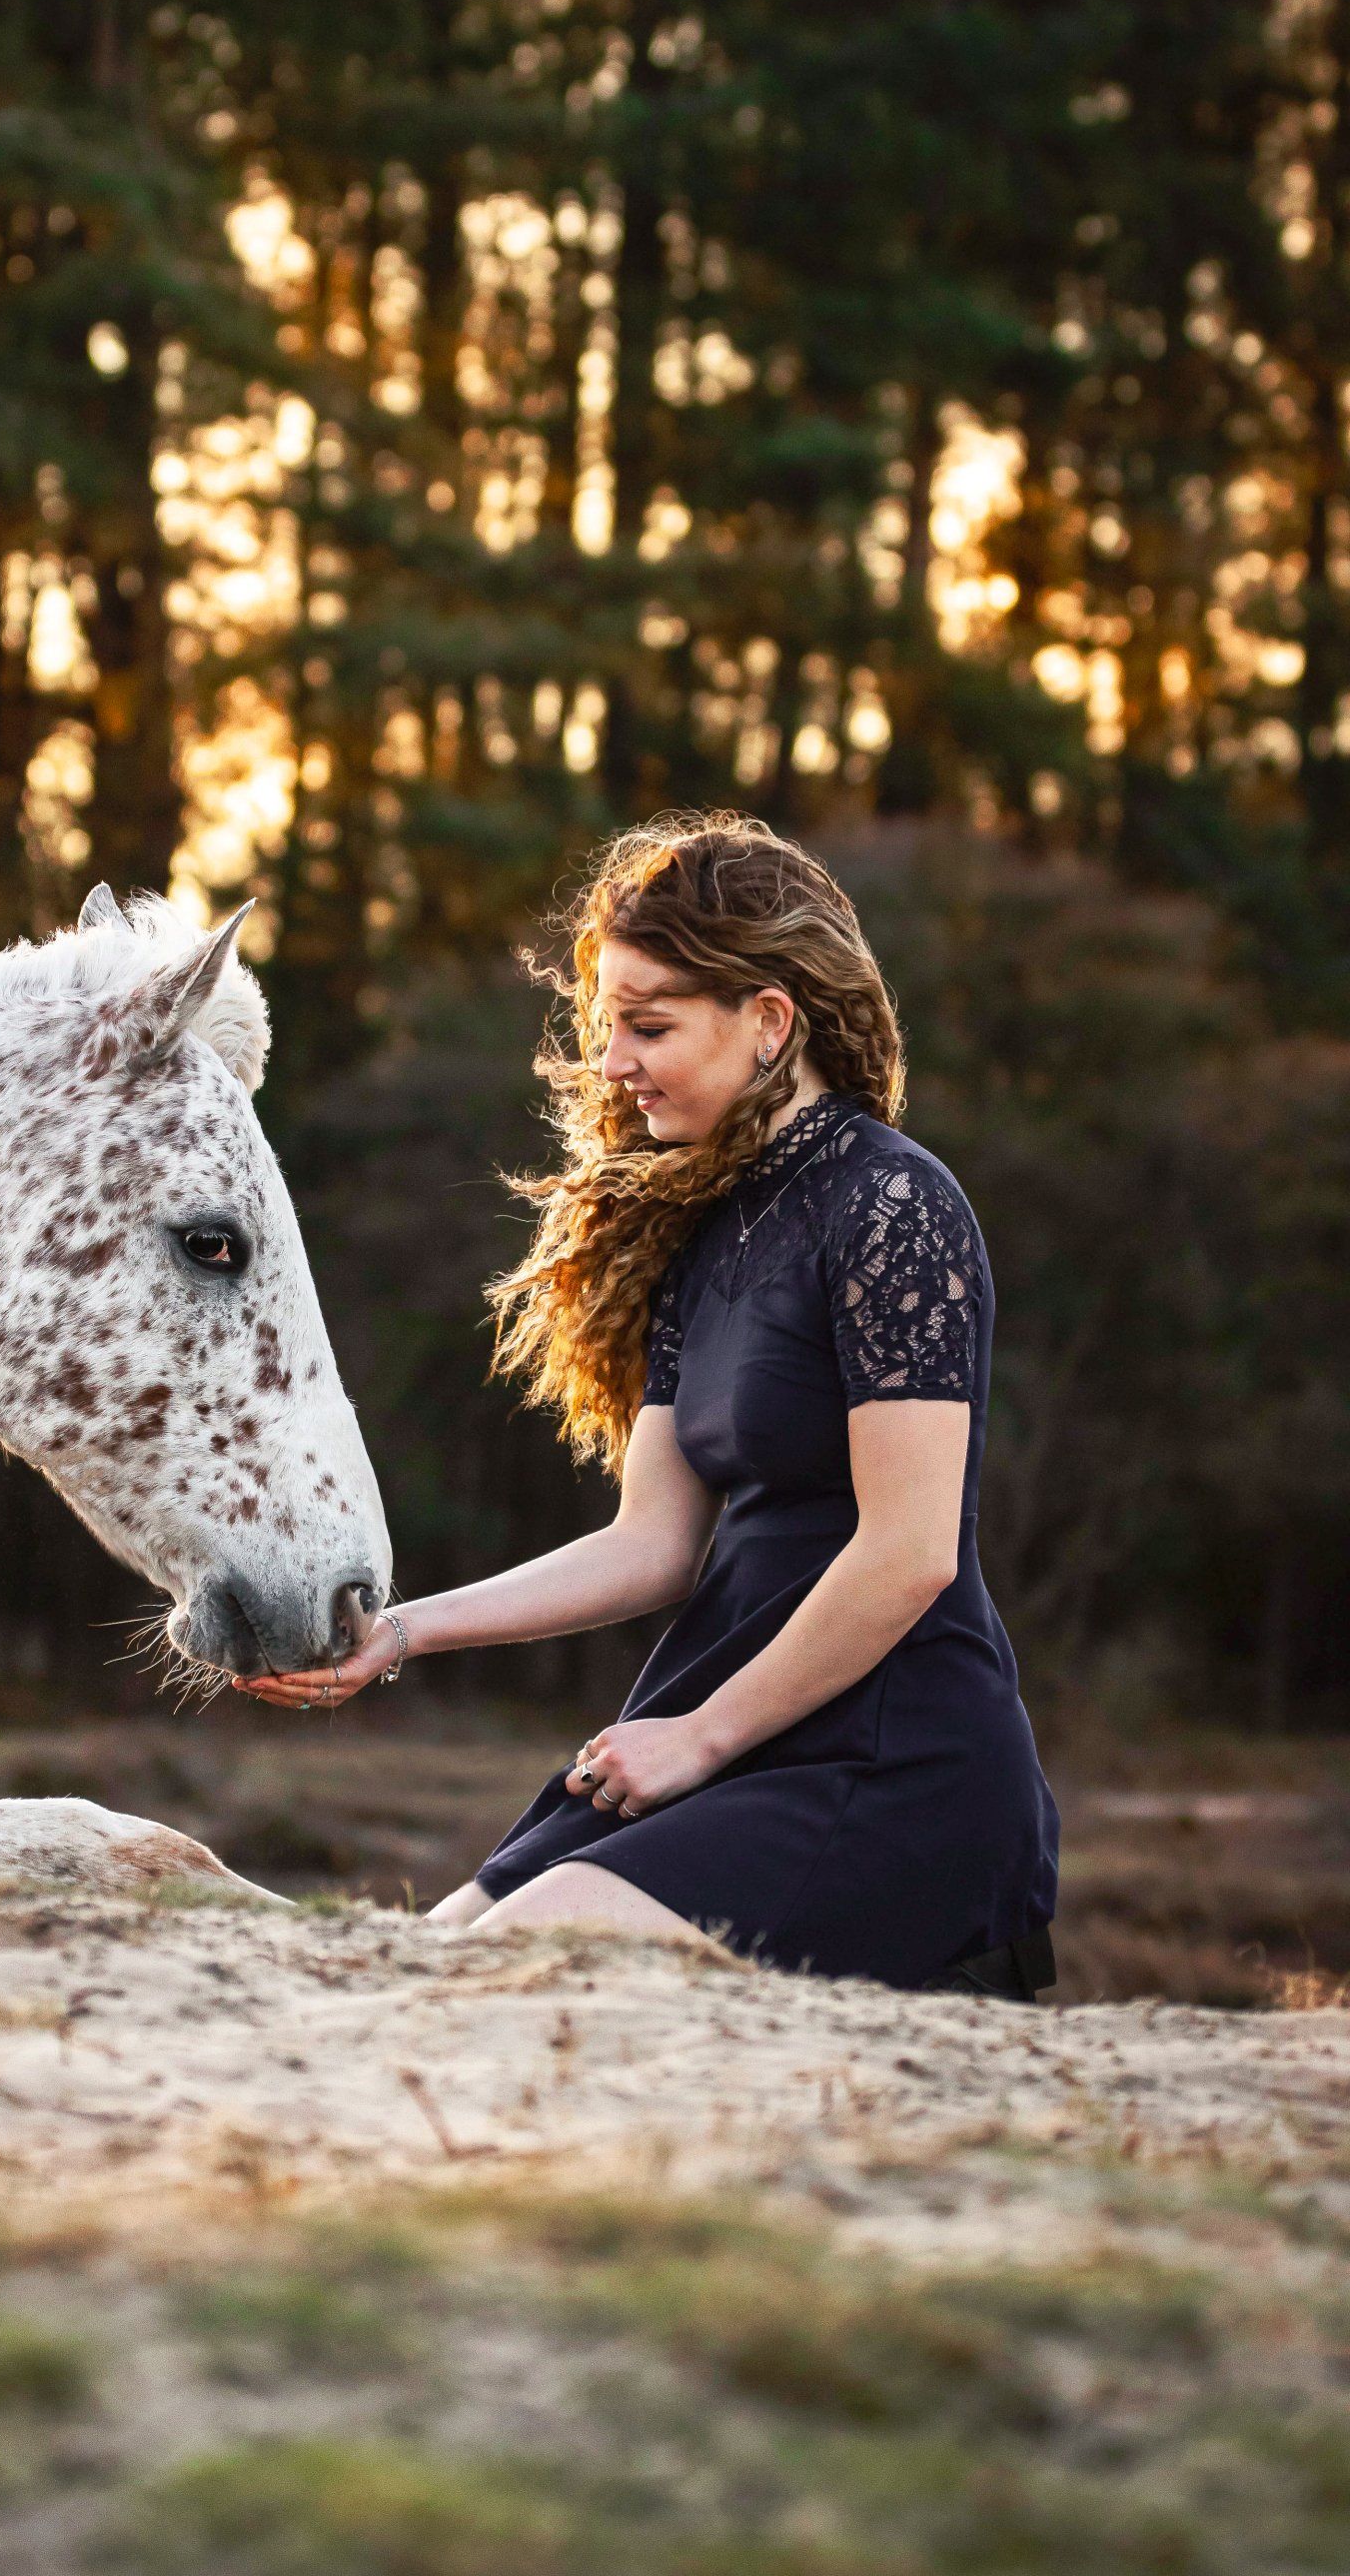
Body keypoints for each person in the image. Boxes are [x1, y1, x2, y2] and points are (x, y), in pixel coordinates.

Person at [236, 811, 1058, 1997]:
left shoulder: (895, 1207)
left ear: (769, 1022)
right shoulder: (704, 1234)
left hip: (892, 1763)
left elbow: (911, 1553)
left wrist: (703, 1737)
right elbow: (654, 1547)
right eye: (607, 1022)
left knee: (527, 1956)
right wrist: (403, 1631)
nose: (612, 1062)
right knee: (422, 1960)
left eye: (650, 1025)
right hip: (717, 1730)